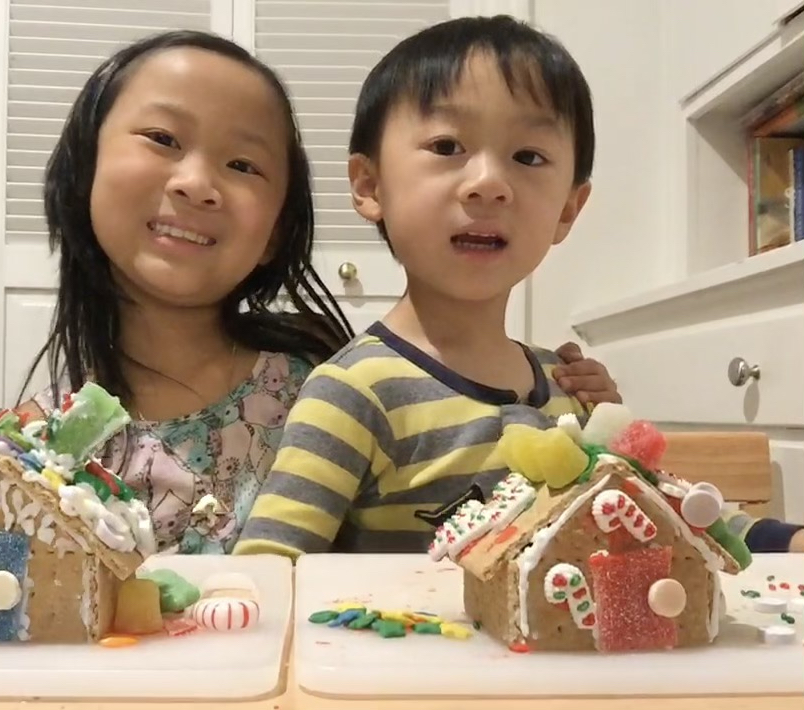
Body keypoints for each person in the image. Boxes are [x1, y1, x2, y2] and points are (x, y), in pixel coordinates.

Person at [16, 29, 621, 555]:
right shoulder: (32, 453)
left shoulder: (316, 381)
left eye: (244, 165)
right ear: (85, 163)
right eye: (163, 137)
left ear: (280, 221)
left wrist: (599, 425)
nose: (198, 185)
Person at [234, 16, 802, 558]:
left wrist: (781, 541)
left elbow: (663, 508)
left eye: (528, 156)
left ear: (567, 210)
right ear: (369, 184)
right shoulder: (353, 393)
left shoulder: (569, 390)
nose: (489, 184)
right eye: (447, 147)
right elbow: (267, 574)